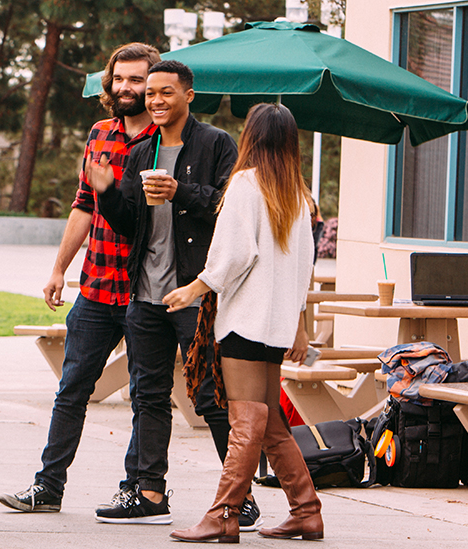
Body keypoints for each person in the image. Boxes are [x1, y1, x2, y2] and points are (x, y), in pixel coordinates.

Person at [0, 43, 161, 516]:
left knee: (147, 397)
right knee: (71, 390)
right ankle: (48, 487)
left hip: (144, 290)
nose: (127, 87)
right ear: (110, 84)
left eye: (138, 80)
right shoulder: (99, 132)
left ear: (153, 86)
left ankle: (140, 489)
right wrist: (58, 269)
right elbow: (83, 205)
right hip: (94, 286)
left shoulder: (164, 140)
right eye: (120, 79)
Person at [87, 60, 242, 525]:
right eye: (149, 92)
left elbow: (230, 209)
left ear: (188, 95)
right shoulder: (140, 152)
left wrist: (181, 191)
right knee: (148, 396)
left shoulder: (216, 144)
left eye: (165, 92)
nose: (154, 100)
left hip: (195, 294)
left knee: (211, 396)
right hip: (145, 296)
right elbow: (130, 224)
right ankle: (150, 494)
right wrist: (108, 193)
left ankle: (239, 496)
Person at [164, 103, 321, 543]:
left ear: (251, 137)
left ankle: (223, 514)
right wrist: (297, 323)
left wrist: (195, 287)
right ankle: (306, 511)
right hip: (275, 326)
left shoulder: (245, 186)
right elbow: (303, 267)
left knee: (245, 421)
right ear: (291, 142)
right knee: (268, 422)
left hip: (246, 323)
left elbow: (233, 255)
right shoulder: (299, 193)